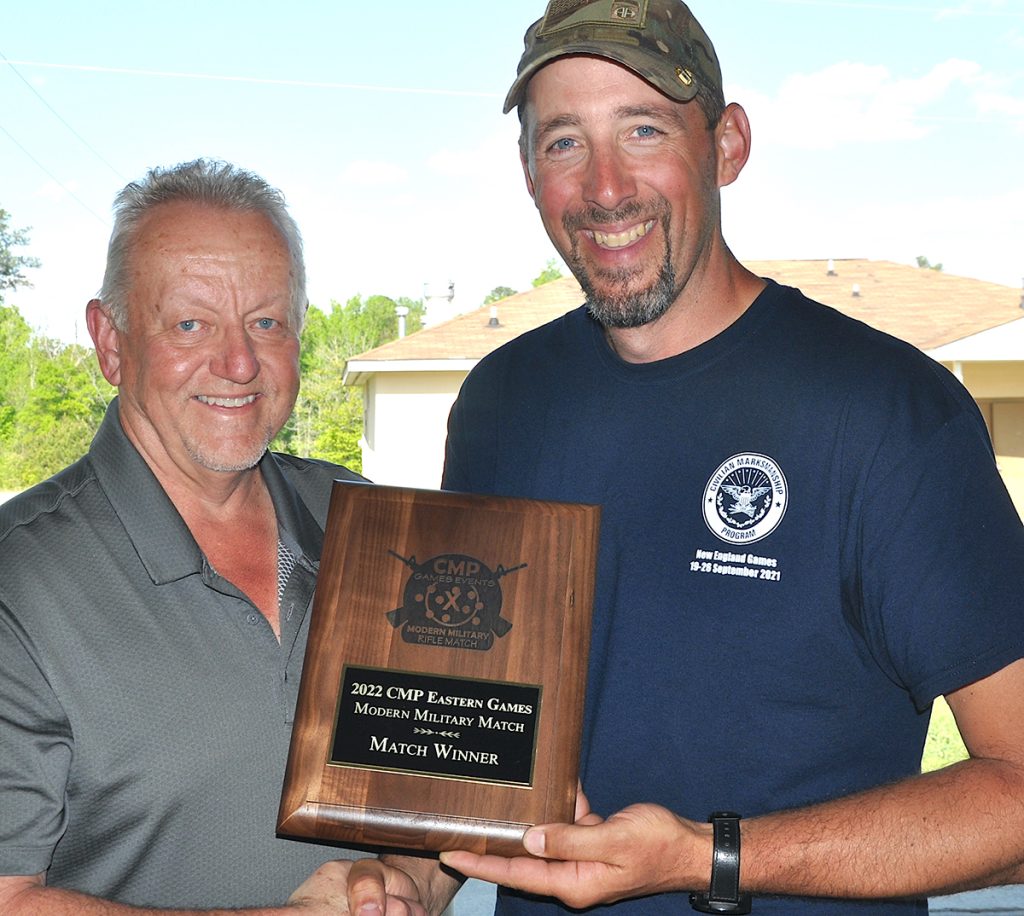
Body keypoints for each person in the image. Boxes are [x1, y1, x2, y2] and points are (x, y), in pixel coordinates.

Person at [431, 1, 1024, 914]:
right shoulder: (501, 403)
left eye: (643, 129)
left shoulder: (885, 413)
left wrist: (705, 858)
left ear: (728, 145)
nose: (604, 188)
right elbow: (468, 726)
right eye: (562, 143)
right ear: (526, 171)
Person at [0, 159, 458, 915]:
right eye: (190, 323)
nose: (239, 362)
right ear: (110, 342)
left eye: (267, 322)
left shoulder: (379, 529)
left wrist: (406, 883)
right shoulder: (19, 580)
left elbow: (434, 807)